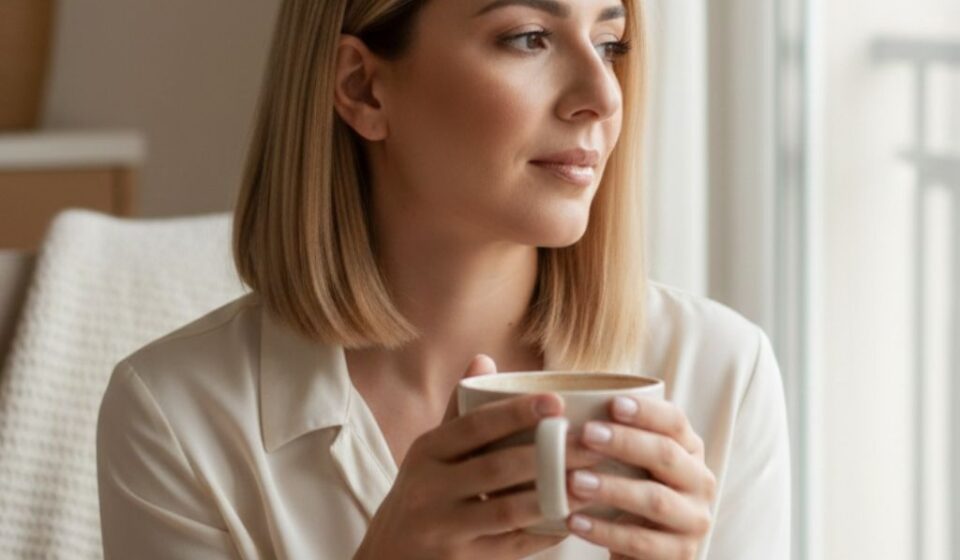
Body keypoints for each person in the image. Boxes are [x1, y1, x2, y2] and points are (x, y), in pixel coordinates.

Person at [95, 0, 791, 558]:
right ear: (362, 87)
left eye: (610, 42)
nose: (601, 95)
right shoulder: (176, 415)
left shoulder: (720, 373)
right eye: (528, 37)